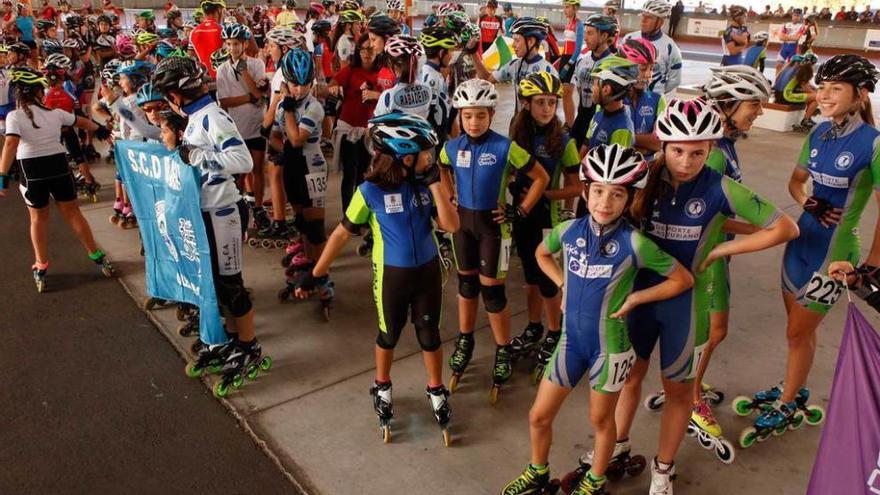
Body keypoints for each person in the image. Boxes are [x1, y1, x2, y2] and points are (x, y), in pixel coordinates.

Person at [600, 98, 798, 494]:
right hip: (639, 299)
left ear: (711, 149)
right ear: (662, 145)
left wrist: (720, 249)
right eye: (676, 150)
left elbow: (784, 227)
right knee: (630, 378)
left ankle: (663, 470)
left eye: (697, 152)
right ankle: (619, 445)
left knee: (676, 393)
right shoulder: (644, 177)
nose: (686, 162)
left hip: (685, 308)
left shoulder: (720, 186)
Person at [500, 144, 693, 495]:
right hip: (571, 342)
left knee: (601, 421)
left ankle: (595, 480)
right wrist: (561, 284)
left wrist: (637, 297)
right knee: (538, 416)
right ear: (586, 191)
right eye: (599, 191)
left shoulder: (635, 243)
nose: (605, 202)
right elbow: (542, 253)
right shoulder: (569, 230)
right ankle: (538, 472)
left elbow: (683, 279)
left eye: (617, 194)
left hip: (611, 346)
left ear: (629, 198)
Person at [297, 112, 459, 443]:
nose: (431, 157)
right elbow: (342, 235)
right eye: (425, 152)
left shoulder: (427, 184)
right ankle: (382, 385)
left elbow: (452, 226)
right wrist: (316, 273)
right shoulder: (369, 191)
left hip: (427, 272)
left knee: (430, 335)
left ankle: (435, 388)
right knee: (389, 334)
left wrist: (436, 184)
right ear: (405, 155)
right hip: (391, 277)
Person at [760, 55, 880, 439]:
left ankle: (787, 402)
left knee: (798, 331)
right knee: (796, 332)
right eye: (822, 87)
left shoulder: (873, 145)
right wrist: (809, 200)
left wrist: (874, 264)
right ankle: (795, 386)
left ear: (860, 95)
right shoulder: (817, 134)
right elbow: (796, 182)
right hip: (799, 244)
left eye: (836, 89)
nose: (824, 96)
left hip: (835, 256)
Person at [150, 54, 261, 391]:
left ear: (176, 94)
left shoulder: (213, 117)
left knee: (231, 284)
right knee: (215, 283)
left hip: (224, 211)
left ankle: (249, 347)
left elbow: (242, 161)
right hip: (207, 212)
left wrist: (195, 155)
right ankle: (229, 339)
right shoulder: (197, 117)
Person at [439, 78, 549, 401]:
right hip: (463, 226)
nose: (474, 122)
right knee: (466, 286)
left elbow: (540, 176)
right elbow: (441, 170)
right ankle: (465, 339)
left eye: (481, 116)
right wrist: (449, 199)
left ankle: (502, 349)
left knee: (493, 293)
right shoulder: (451, 147)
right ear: (460, 116)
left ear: (491, 114)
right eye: (468, 116)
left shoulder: (504, 146)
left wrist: (521, 210)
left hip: (492, 228)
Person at [691, 64, 771, 443]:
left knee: (708, 331)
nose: (759, 111)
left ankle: (690, 384)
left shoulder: (726, 145)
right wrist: (755, 229)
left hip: (716, 254)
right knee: (713, 330)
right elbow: (707, 217)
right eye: (753, 104)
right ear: (727, 104)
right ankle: (690, 397)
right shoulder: (715, 154)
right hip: (708, 256)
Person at [0, 68, 115, 292]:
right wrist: (100, 129)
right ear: (37, 93)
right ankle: (98, 256)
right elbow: (81, 121)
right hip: (59, 167)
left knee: (38, 219)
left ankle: (41, 266)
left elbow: (11, 144)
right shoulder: (55, 113)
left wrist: (2, 175)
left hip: (32, 171)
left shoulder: (15, 116)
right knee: (73, 214)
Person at [506, 72, 581, 380]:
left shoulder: (563, 140)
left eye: (552, 102)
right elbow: (509, 171)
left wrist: (546, 194)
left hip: (546, 218)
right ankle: (534, 325)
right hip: (523, 216)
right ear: (526, 104)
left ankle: (554, 331)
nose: (547, 109)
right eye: (540, 103)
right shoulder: (518, 133)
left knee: (549, 280)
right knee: (529, 276)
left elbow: (577, 187)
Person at [216, 22, 269, 232]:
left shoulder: (256, 64)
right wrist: (249, 97)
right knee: (238, 172)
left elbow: (260, 95)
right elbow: (225, 101)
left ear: (245, 44)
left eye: (236, 43)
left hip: (256, 124)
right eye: (228, 44)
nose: (232, 48)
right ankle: (238, 206)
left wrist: (244, 70)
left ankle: (258, 207)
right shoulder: (221, 69)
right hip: (235, 127)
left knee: (257, 169)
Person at [328, 33, 379, 212]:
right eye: (362, 49)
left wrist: (376, 95)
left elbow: (391, 94)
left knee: (364, 174)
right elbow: (333, 83)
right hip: (348, 128)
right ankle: (347, 216)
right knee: (349, 173)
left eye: (370, 49)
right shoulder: (350, 69)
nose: (366, 53)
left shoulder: (383, 73)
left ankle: (360, 214)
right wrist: (334, 88)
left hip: (368, 130)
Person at [472, 16, 558, 116]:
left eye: (517, 40)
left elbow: (549, 112)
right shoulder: (515, 65)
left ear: (530, 41)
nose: (513, 46)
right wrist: (473, 53)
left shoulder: (548, 71)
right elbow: (487, 79)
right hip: (518, 124)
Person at [571, 14, 617, 150]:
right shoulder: (581, 60)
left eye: (590, 33)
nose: (585, 38)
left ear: (603, 36)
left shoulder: (614, 64)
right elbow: (578, 89)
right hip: (581, 120)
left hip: (601, 124)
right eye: (585, 33)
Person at [622, 0, 682, 99]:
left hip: (652, 101)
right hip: (629, 97)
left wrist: (656, 93)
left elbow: (675, 80)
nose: (643, 20)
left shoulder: (671, 47)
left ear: (660, 22)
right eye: (643, 15)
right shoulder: (628, 39)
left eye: (649, 17)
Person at [582, 56, 639, 156]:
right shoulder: (599, 112)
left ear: (606, 89)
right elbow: (586, 145)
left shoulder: (623, 129)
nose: (591, 88)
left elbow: (613, 168)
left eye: (594, 84)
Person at [620, 38, 664, 159]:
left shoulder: (658, 99)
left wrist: (626, 139)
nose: (649, 75)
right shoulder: (612, 97)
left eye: (651, 68)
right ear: (624, 66)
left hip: (646, 168)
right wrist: (646, 144)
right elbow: (606, 137)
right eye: (643, 69)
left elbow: (659, 142)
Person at [557, 0, 585, 129]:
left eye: (567, 7)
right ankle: (568, 122)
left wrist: (569, 64)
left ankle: (570, 124)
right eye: (564, 7)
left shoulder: (579, 25)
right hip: (565, 58)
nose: (565, 10)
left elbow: (578, 48)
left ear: (575, 8)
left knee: (568, 93)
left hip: (571, 60)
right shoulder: (568, 24)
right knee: (564, 93)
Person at [772, 52, 818, 131]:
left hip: (778, 95)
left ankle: (807, 117)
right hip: (787, 96)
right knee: (818, 97)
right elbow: (806, 89)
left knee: (811, 94)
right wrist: (816, 93)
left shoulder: (788, 67)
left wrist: (811, 88)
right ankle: (806, 120)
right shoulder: (804, 69)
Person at [190, 0, 225, 78]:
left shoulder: (193, 32)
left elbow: (190, 58)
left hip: (203, 79)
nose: (223, 15)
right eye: (223, 11)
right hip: (222, 78)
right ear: (219, 10)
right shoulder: (223, 30)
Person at [775, 8, 804, 76]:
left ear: (800, 17)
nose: (796, 17)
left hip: (793, 49)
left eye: (798, 15)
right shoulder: (786, 25)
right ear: (792, 15)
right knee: (778, 66)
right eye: (794, 15)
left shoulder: (801, 26)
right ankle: (775, 82)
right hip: (784, 47)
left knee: (790, 68)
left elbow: (796, 38)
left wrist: (786, 36)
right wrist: (791, 37)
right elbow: (780, 37)